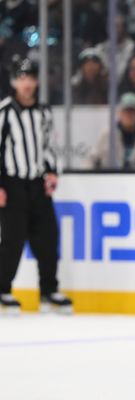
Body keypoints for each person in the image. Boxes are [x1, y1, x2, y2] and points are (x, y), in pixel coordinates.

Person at [0, 58, 73, 315]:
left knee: (48, 237)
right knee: (13, 238)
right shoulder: (5, 111)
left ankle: (48, 290)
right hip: (12, 183)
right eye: (22, 78)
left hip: (38, 184)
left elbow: (48, 146)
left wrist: (52, 171)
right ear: (13, 82)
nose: (27, 83)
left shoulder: (43, 111)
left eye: (31, 78)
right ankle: (3, 290)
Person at [87, 92, 135, 169]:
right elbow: (90, 160)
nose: (129, 115)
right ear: (119, 114)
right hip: (111, 179)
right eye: (125, 111)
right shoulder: (107, 134)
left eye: (133, 111)